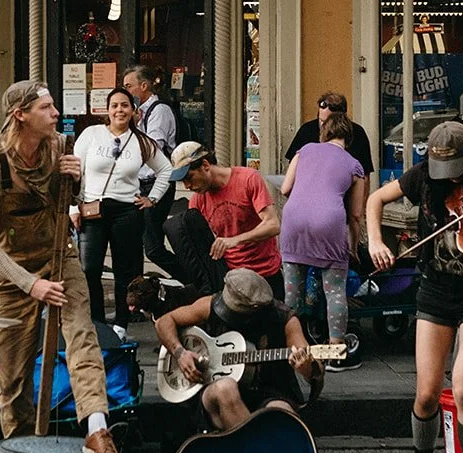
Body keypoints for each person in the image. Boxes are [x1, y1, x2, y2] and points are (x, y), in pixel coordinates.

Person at [0, 80, 121, 453]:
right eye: (46, 108)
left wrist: (74, 181)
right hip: (10, 273)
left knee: (82, 336)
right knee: (13, 378)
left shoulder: (57, 147)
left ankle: (97, 429)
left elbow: (67, 207)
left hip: (58, 258)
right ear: (20, 115)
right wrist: (29, 284)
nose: (56, 114)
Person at [365, 121, 463, 453]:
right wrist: (375, 241)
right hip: (434, 291)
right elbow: (376, 199)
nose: (451, 179)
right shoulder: (422, 176)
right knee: (426, 394)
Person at [154, 268, 316, 430]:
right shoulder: (210, 304)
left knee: (283, 414)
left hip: (270, 391)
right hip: (218, 390)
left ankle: (253, 448)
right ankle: (257, 448)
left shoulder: (285, 319)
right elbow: (164, 322)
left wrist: (306, 367)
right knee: (225, 388)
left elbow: (313, 368)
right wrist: (180, 353)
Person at [75, 86, 173, 327]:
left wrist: (153, 198)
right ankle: (96, 323)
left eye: (125, 105)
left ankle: (121, 324)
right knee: (89, 269)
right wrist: (73, 206)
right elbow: (75, 171)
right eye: (115, 106)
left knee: (125, 272)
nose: (120, 110)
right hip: (93, 209)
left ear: (133, 110)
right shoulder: (92, 134)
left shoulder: (140, 141)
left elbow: (166, 169)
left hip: (127, 211)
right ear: (107, 110)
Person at [278, 110, 365, 366]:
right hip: (328, 224)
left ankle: (291, 347)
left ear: (324, 133)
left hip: (294, 222)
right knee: (334, 290)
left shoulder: (304, 151)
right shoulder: (353, 165)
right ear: (348, 138)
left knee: (292, 291)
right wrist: (352, 245)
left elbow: (285, 188)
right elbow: (356, 214)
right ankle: (336, 351)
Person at [162, 141, 284, 305]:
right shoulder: (198, 201)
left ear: (205, 165)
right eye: (183, 182)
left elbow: (273, 225)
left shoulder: (247, 178)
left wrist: (235, 240)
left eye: (189, 178)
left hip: (265, 271)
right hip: (231, 276)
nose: (187, 186)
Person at [122, 64, 181, 279]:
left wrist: (134, 126)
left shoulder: (160, 111)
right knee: (134, 242)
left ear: (144, 86)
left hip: (157, 183)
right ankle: (135, 288)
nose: (125, 91)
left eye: (129, 86)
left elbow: (151, 149)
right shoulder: (137, 114)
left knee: (153, 247)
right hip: (138, 184)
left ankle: (194, 279)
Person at [283, 91, 374, 180]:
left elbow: (365, 173)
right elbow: (292, 165)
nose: (324, 126)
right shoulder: (307, 130)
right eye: (321, 121)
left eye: (328, 122)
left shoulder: (357, 132)